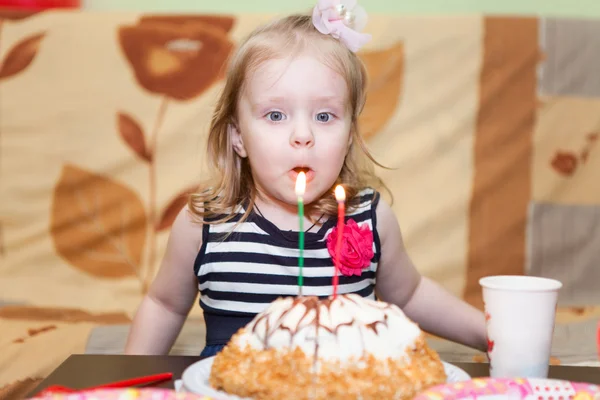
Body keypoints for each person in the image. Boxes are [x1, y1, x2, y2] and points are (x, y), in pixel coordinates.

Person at [124, 0, 488, 358]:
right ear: (238, 136)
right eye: (276, 115)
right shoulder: (204, 225)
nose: (303, 134)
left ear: (349, 135)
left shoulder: (370, 219)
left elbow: (411, 295)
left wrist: (490, 334)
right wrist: (122, 384)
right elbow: (164, 306)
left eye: (325, 116)